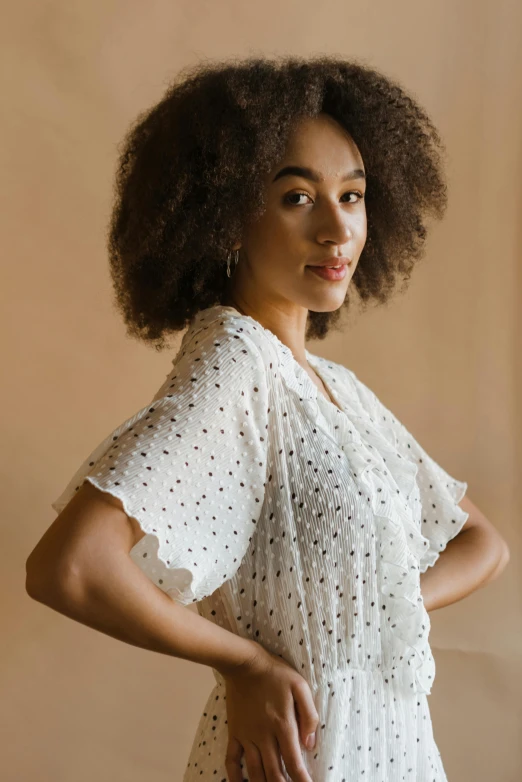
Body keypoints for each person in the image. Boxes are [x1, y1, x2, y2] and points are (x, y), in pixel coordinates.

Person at [26, 55, 509, 782]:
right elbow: (70, 563)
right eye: (296, 198)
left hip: (391, 750)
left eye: (352, 195)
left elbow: (484, 544)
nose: (336, 228)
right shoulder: (236, 365)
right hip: (311, 753)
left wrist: (375, 606)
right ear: (225, 218)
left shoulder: (333, 387)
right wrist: (245, 663)